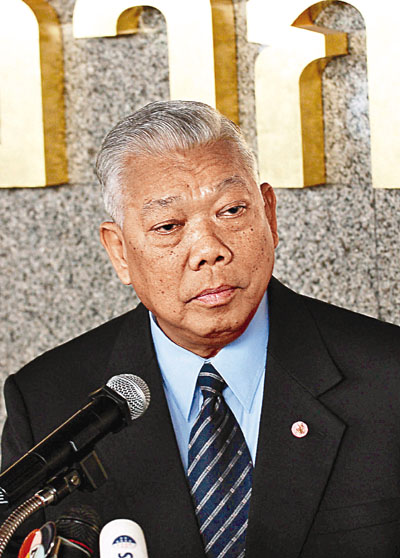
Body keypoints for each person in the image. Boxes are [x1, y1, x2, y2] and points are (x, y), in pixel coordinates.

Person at [1, 100, 400, 558]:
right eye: (169, 226)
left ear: (269, 215)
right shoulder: (48, 403)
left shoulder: (388, 379)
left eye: (231, 211)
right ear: (119, 251)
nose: (209, 249)